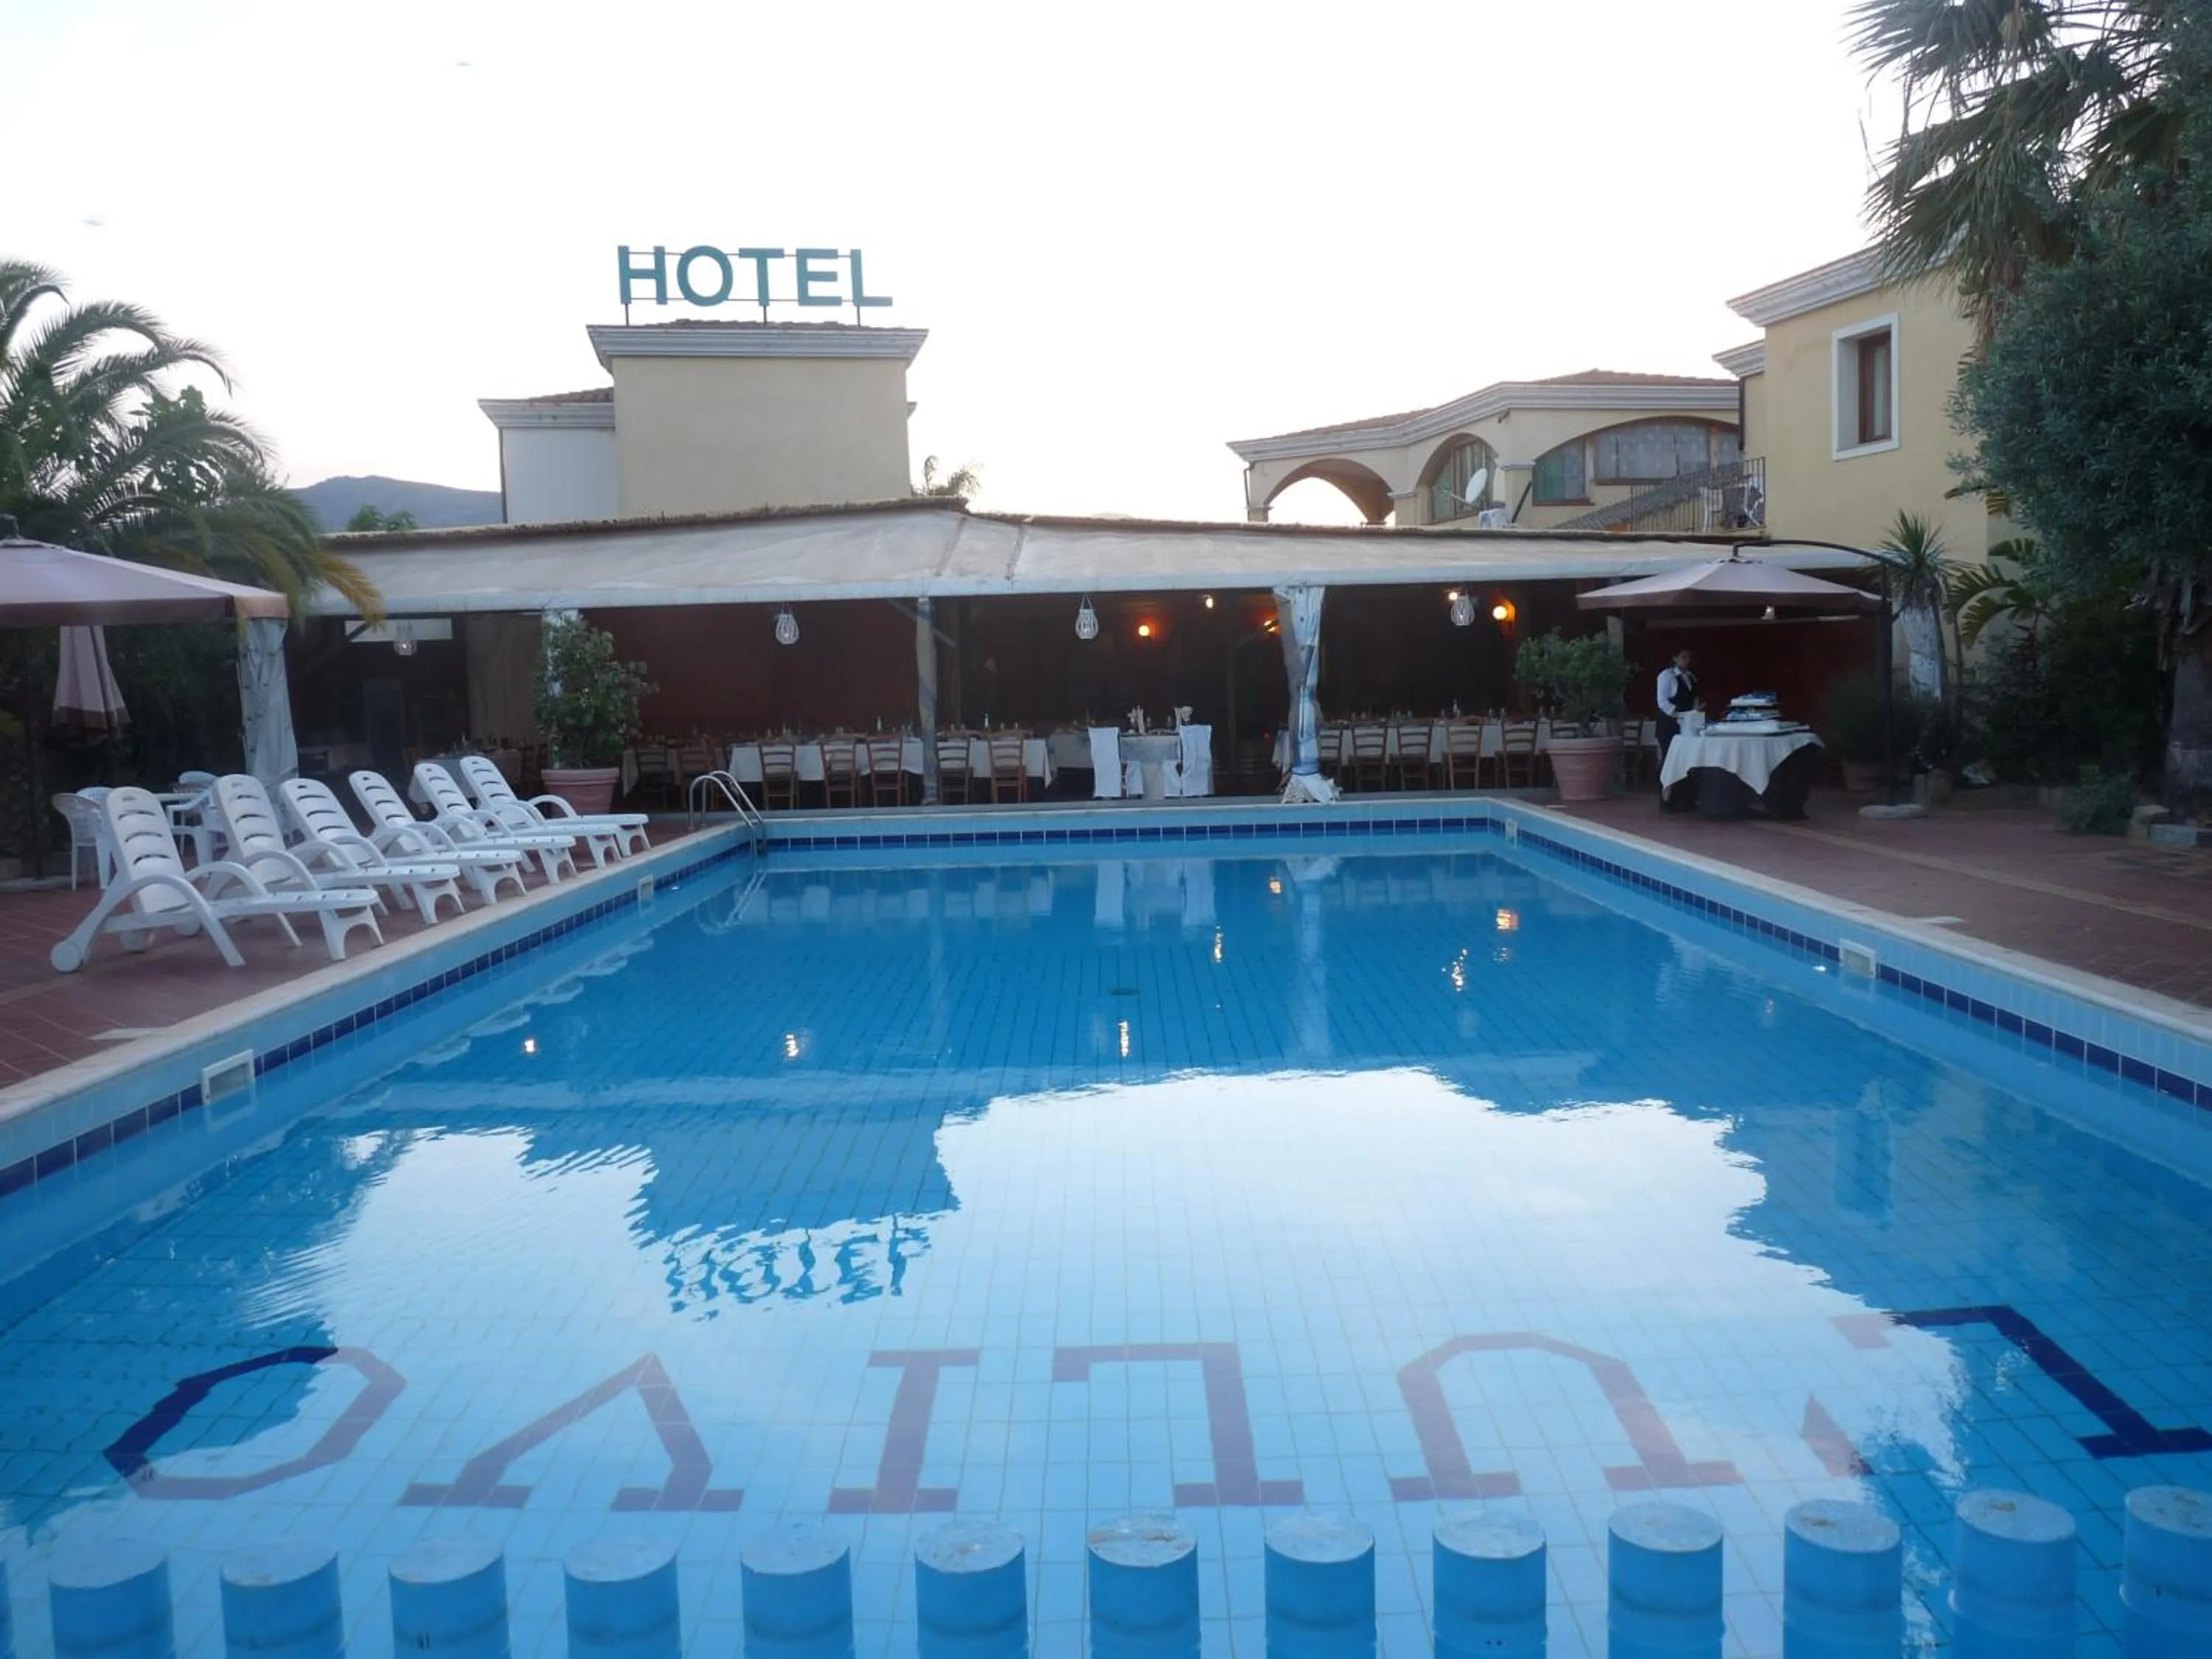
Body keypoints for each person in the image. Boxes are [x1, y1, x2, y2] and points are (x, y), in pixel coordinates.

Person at [1655, 648, 1700, 766]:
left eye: (1689, 657)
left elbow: (1694, 697)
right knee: (1669, 757)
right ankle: (1666, 784)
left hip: (1687, 724)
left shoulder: (1691, 676)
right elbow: (1662, 701)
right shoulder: (1667, 676)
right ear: (1675, 658)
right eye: (1683, 657)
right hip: (1669, 723)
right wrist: (1678, 715)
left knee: (1686, 757)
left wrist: (1695, 711)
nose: (1687, 660)